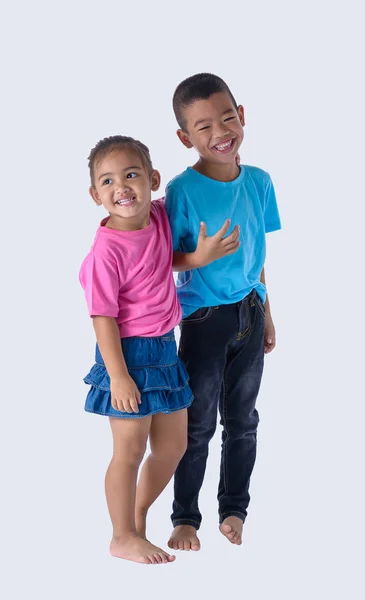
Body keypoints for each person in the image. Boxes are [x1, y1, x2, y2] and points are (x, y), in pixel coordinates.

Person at [79, 135, 240, 564]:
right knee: (129, 450)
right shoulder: (105, 252)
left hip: (165, 351)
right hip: (128, 354)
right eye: (108, 181)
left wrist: (198, 256)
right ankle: (122, 535)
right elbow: (102, 318)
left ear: (152, 179)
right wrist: (118, 375)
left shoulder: (156, 216)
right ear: (96, 195)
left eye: (131, 175)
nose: (122, 187)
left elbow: (164, 259)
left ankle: (135, 513)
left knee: (173, 447)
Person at [164, 73, 282, 551]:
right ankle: (185, 517)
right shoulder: (182, 190)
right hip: (204, 321)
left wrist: (269, 312)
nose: (220, 133)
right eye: (204, 126)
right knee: (196, 425)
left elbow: (257, 257)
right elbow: (164, 259)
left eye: (228, 117)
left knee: (243, 420)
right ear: (185, 137)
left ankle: (234, 510)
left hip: (250, 313)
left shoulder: (259, 182)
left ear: (242, 116)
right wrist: (202, 257)